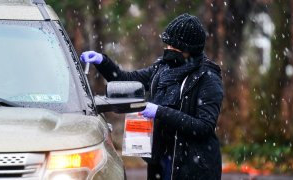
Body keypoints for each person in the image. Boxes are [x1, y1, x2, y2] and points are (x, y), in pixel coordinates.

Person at [80, 13, 224, 180]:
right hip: (160, 161)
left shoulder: (207, 78)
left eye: (173, 46)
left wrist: (159, 111)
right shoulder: (162, 68)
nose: (168, 49)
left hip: (192, 167)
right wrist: (102, 62)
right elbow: (126, 80)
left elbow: (204, 126)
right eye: (167, 44)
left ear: (188, 50)